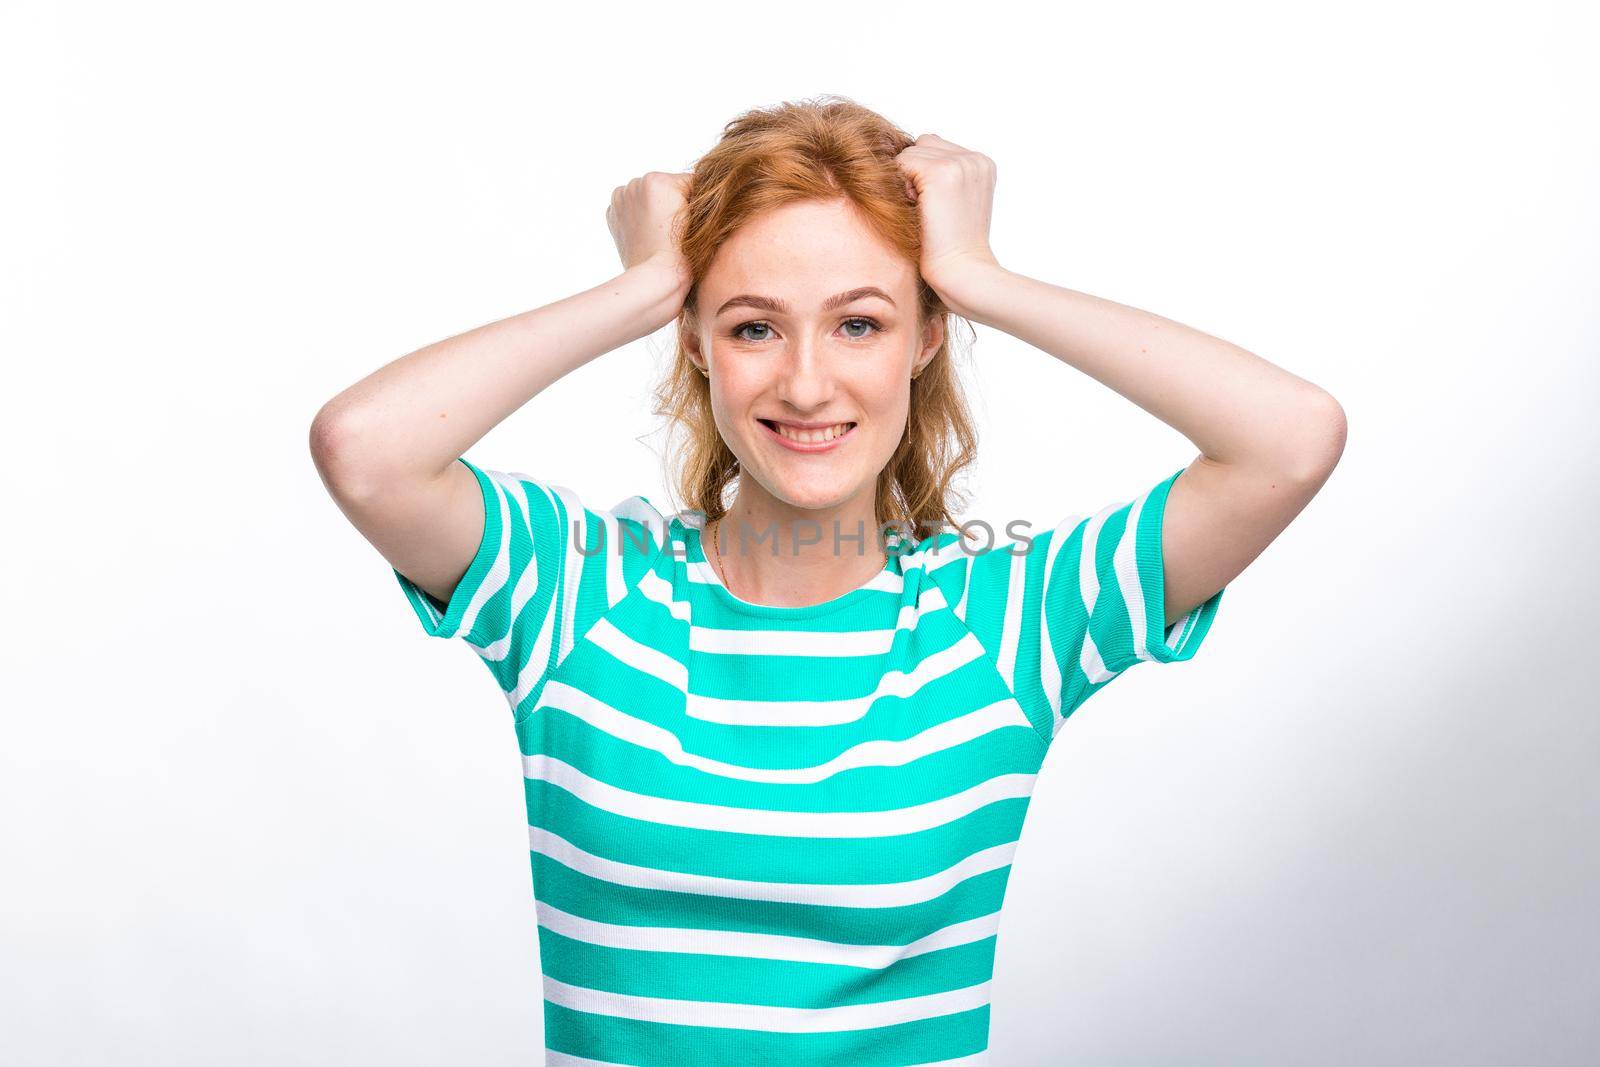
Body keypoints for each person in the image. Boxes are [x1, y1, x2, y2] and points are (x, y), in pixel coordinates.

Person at [309, 96, 1345, 1066]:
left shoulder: (1008, 622)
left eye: (860, 321)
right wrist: (636, 289)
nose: (806, 382)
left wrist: (981, 277)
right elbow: (366, 449)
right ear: (698, 342)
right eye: (752, 324)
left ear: (925, 336)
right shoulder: (576, 592)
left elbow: (1289, 440)